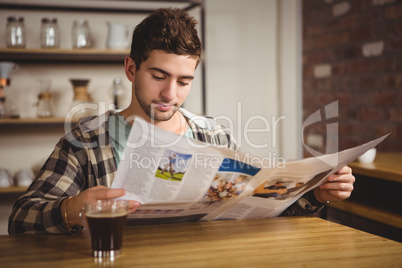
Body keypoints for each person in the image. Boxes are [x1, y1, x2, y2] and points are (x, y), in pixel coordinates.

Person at [8, 8, 355, 234]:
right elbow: (20, 220)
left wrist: (316, 194)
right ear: (131, 69)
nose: (170, 94)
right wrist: (70, 209)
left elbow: (261, 212)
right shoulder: (85, 142)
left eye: (184, 81)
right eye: (158, 76)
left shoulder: (214, 136)